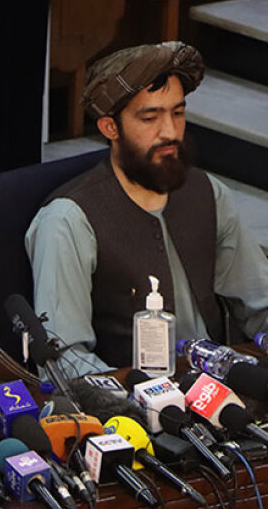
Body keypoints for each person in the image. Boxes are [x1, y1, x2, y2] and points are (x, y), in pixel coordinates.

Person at [26, 41, 268, 375]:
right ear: (110, 128)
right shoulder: (67, 221)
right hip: (132, 401)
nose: (170, 132)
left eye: (177, 113)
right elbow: (65, 359)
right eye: (150, 117)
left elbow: (260, 304)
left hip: (222, 388)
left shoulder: (208, 193)